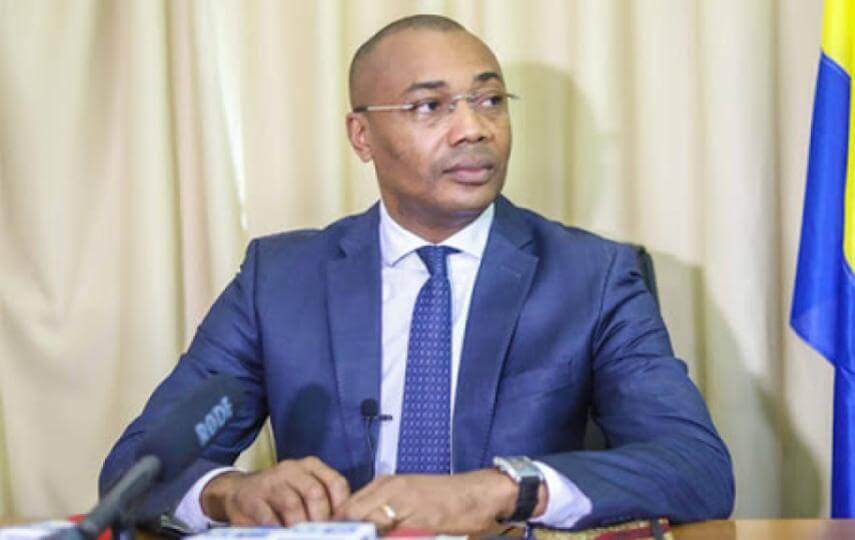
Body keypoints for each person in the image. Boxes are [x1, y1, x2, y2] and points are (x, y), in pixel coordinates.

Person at [100, 14, 734, 535]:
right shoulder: (281, 280)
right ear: (362, 136)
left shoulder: (591, 276)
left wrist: (502, 489)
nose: (473, 129)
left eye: (490, 100)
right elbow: (135, 468)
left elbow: (695, 467)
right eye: (431, 106)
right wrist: (231, 493)